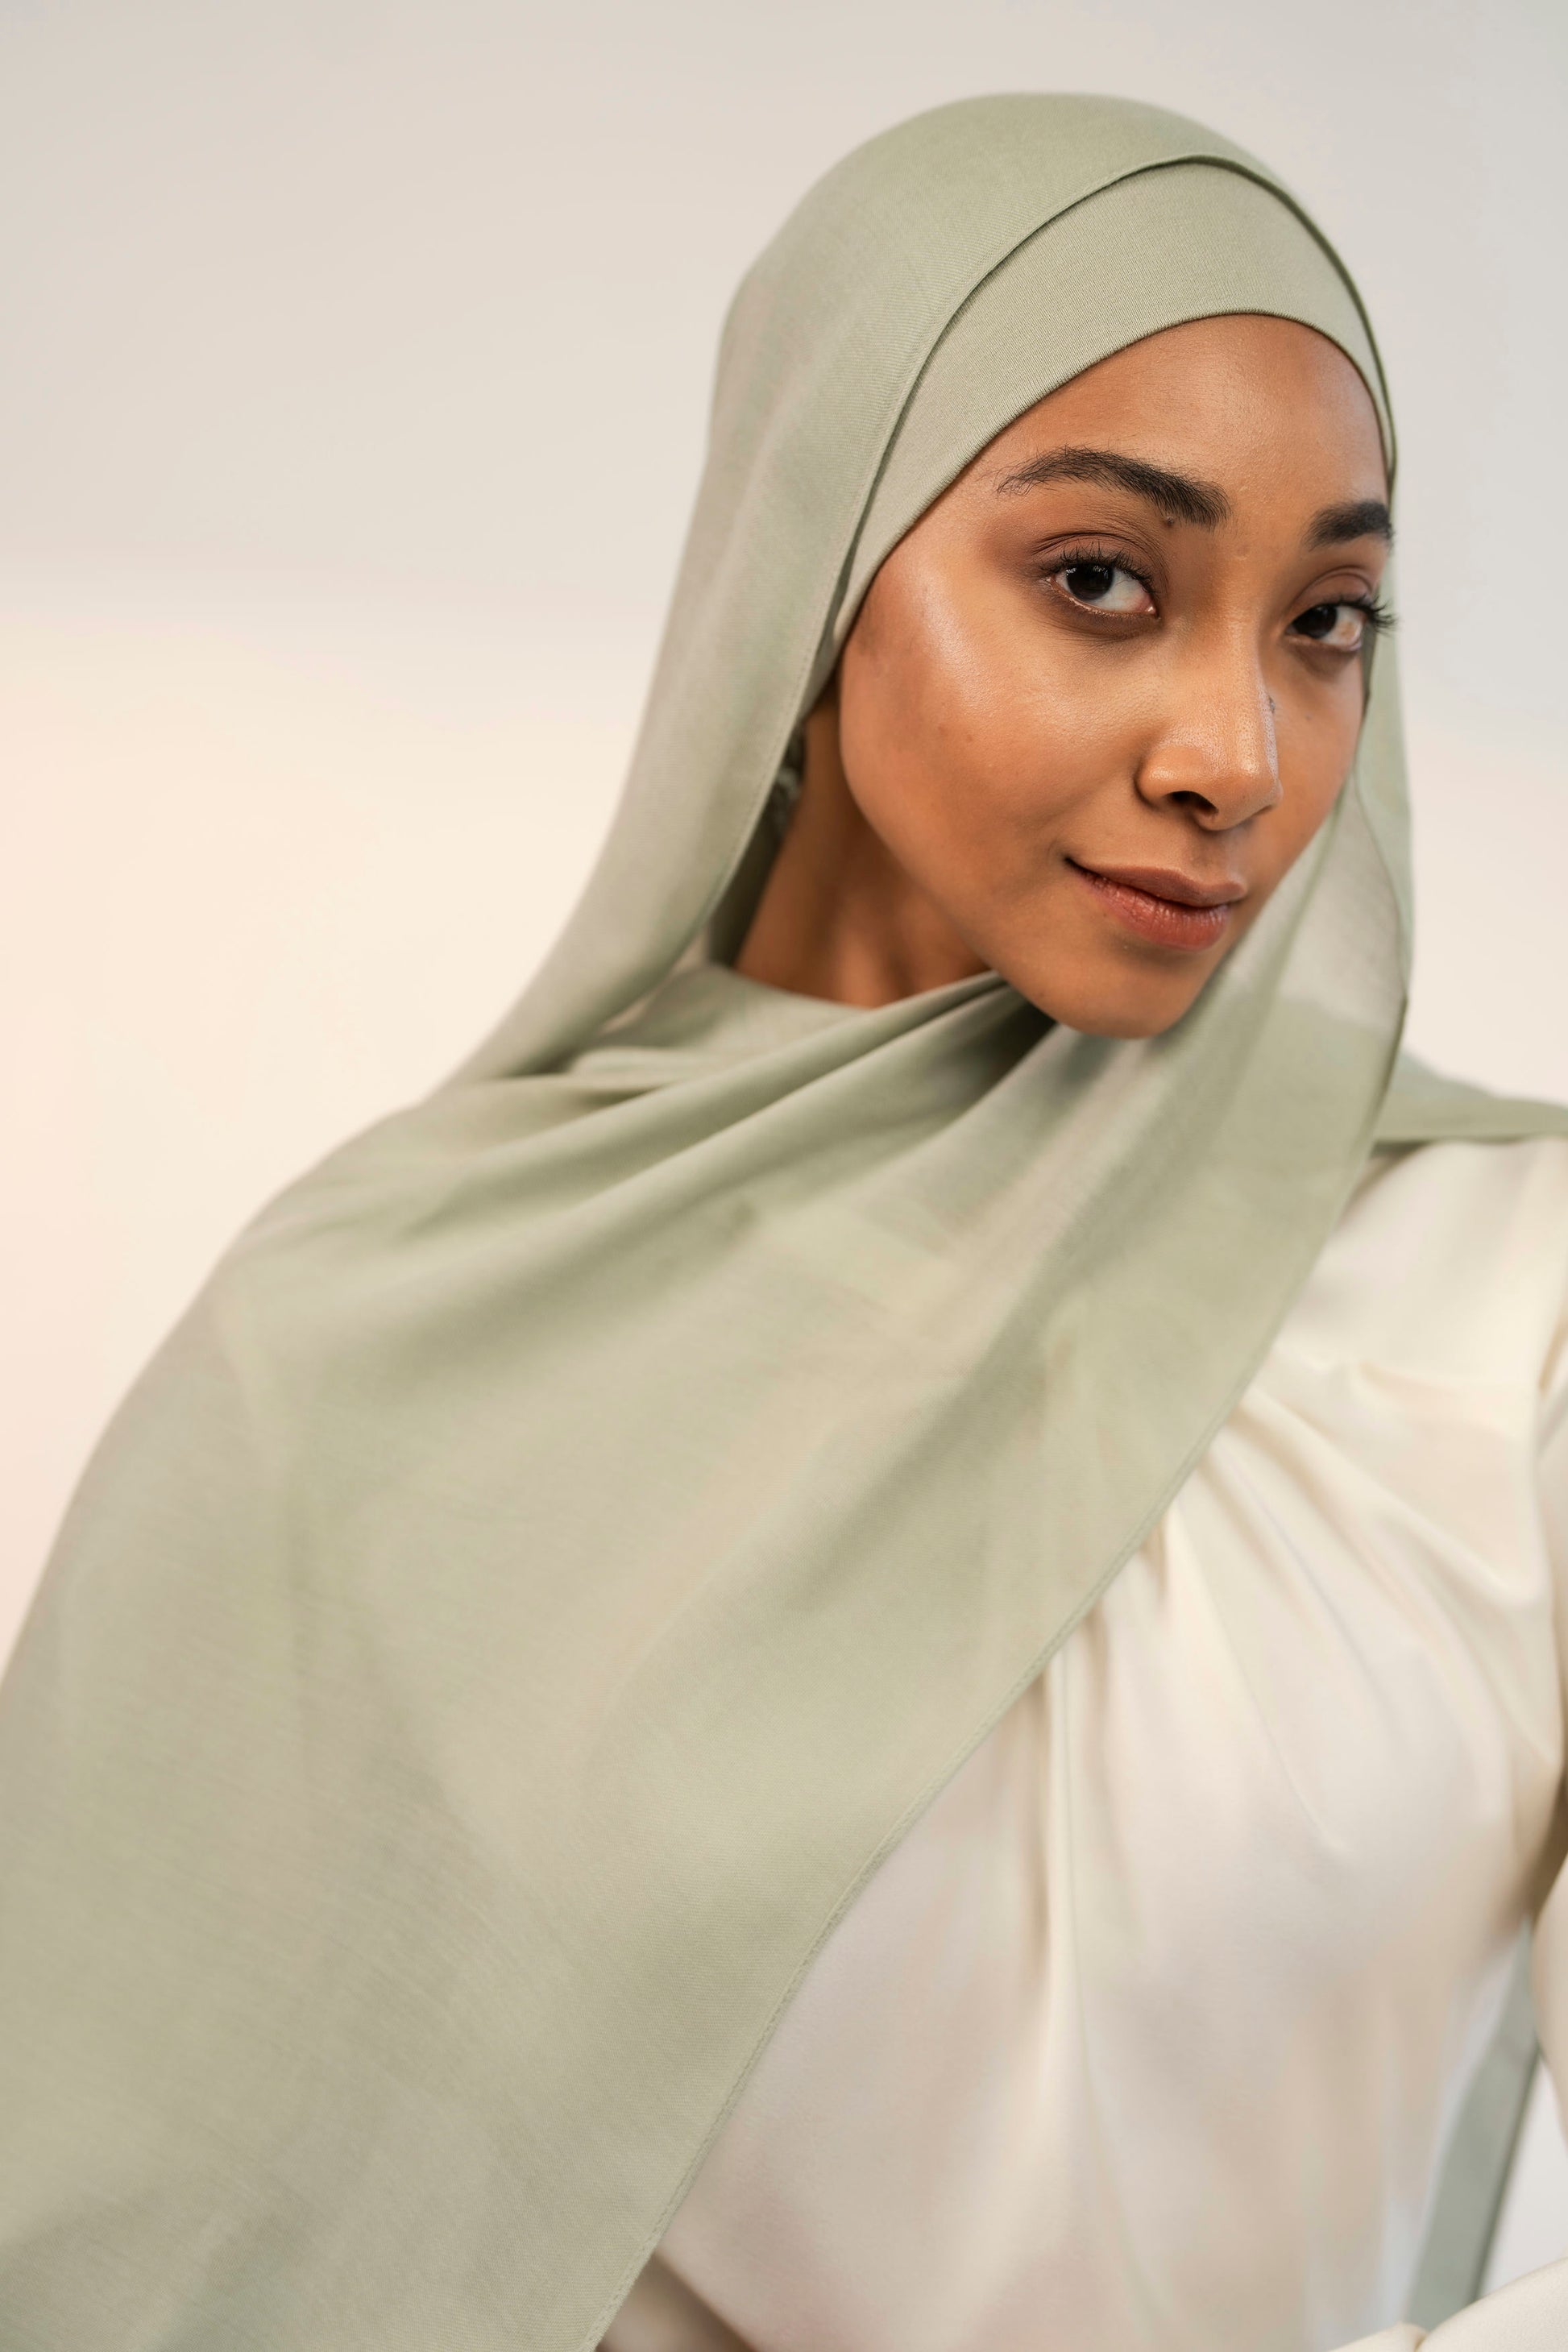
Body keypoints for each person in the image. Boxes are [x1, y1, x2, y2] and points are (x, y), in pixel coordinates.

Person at [0, 92, 1563, 2352]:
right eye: (1103, 583)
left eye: (1325, 621)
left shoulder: (1504, 1307)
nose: (1235, 746)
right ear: (811, 561)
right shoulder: (379, 1339)